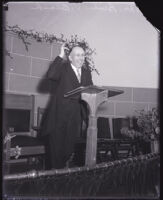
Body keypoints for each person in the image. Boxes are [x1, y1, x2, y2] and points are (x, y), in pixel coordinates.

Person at [39, 43, 93, 169]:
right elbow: (51, 75)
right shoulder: (63, 68)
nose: (81, 58)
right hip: (58, 116)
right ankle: (55, 179)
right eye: (77, 55)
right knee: (56, 151)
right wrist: (60, 55)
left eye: (83, 55)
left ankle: (60, 174)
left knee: (67, 151)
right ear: (70, 58)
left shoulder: (86, 73)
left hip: (75, 118)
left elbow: (90, 90)